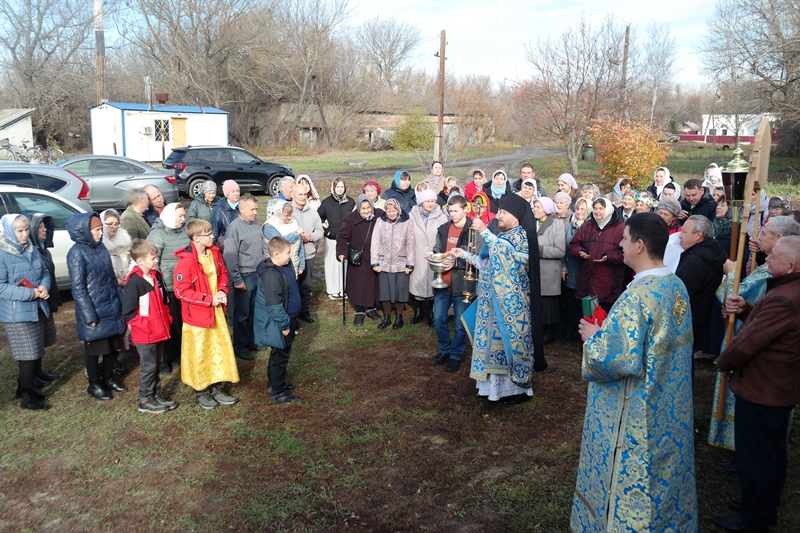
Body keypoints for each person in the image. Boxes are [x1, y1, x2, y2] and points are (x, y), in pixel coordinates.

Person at [571, 212, 697, 532]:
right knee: (665, 474)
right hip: (668, 403)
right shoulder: (676, 284)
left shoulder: (635, 297)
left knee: (638, 473)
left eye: (625, 239)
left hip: (637, 410)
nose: (621, 244)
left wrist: (593, 338)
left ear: (639, 245)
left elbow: (620, 360)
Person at [712, 236, 800, 533]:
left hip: (764, 388)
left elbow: (750, 342)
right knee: (771, 452)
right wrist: (748, 308)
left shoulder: (783, 298)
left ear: (791, 266)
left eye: (774, 256)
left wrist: (724, 362)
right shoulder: (788, 291)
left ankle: (755, 517)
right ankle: (763, 505)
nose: (767, 259)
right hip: (778, 386)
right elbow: (772, 326)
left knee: (757, 456)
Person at [708, 216, 800, 455]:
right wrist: (746, 309)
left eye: (765, 233)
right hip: (774, 378)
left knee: (759, 447)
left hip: (762, 375)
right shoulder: (781, 272)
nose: (758, 238)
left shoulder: (779, 282)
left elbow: (741, 294)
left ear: (780, 239)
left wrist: (730, 274)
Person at [453, 193, 546, 403]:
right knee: (490, 347)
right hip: (491, 305)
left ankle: (518, 390)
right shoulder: (501, 236)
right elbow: (487, 264)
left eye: (504, 213)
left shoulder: (521, 236)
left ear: (517, 217)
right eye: (500, 212)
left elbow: (508, 259)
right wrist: (464, 255)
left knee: (510, 346)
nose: (499, 216)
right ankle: (490, 389)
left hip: (511, 305)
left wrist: (485, 232)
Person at [173, 219, 239, 410]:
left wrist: (221, 291)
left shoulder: (214, 254)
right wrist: (208, 299)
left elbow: (223, 274)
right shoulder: (185, 264)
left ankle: (217, 387)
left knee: (217, 349)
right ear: (196, 238)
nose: (212, 236)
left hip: (216, 313)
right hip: (198, 317)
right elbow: (181, 292)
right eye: (208, 234)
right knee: (200, 353)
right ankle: (201, 390)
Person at [66, 212, 127, 401]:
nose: (101, 233)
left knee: (112, 345)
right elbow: (78, 288)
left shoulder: (100, 248)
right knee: (94, 349)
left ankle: (108, 378)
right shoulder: (76, 253)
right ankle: (94, 383)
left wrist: (121, 303)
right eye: (97, 230)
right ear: (84, 231)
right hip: (94, 308)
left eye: (101, 229)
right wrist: (89, 315)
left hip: (110, 304)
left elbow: (111, 277)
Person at [0, 214, 53, 410]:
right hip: (16, 313)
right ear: (8, 232)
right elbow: (1, 287)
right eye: (19, 231)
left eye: (25, 230)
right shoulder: (2, 253)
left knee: (35, 351)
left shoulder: (30, 248)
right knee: (28, 354)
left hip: (35, 307)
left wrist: (44, 286)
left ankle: (24, 387)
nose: (24, 234)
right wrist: (30, 293)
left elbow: (44, 272)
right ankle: (27, 397)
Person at [428, 195, 484, 373]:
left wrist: (457, 263)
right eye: (450, 211)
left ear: (465, 209)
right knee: (438, 318)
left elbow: (479, 257)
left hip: (464, 285)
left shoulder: (473, 230)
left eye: (455, 211)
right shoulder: (444, 228)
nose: (452, 214)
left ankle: (456, 355)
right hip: (443, 282)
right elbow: (439, 249)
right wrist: (433, 254)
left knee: (460, 323)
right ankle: (444, 350)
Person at [121, 239, 177, 414]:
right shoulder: (134, 282)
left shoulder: (156, 277)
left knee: (157, 364)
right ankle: (145, 400)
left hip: (159, 330)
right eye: (152, 258)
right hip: (145, 334)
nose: (156, 261)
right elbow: (129, 313)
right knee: (148, 367)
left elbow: (163, 302)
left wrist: (166, 319)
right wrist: (147, 326)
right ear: (140, 261)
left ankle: (155, 394)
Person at [254, 236, 301, 404]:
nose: (290, 255)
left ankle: (275, 383)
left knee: (281, 354)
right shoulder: (271, 275)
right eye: (288, 252)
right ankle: (277, 392)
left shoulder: (284, 265)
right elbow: (274, 304)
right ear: (276, 253)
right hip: (281, 322)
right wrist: (285, 324)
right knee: (279, 356)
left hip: (289, 318)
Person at [147, 203, 190, 374]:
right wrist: (159, 287)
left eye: (183, 215)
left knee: (181, 323)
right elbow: (152, 263)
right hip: (167, 287)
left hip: (183, 286)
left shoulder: (184, 231)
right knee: (168, 323)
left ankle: (181, 354)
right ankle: (165, 358)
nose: (183, 219)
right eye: (179, 215)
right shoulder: (157, 235)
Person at [675, 215, 727, 356]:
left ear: (698, 235)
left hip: (686, 322)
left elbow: (679, 295)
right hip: (699, 320)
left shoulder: (694, 261)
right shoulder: (713, 252)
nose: (680, 236)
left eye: (684, 232)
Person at [569, 198, 626, 312]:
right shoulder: (587, 226)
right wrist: (581, 252)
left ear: (608, 209)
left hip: (609, 285)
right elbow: (574, 244)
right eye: (595, 208)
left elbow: (626, 252)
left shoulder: (621, 228)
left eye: (601, 208)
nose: (597, 211)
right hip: (587, 282)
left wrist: (609, 257)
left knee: (604, 319)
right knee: (587, 318)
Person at [223, 194, 263, 361]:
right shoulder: (234, 228)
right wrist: (237, 279)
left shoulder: (255, 224)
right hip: (244, 276)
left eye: (256, 209)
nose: (255, 212)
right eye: (252, 209)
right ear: (241, 209)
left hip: (257, 274)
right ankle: (240, 346)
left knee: (254, 311)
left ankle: (251, 341)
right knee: (242, 314)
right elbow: (230, 255)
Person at [336, 194, 381, 326]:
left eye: (368, 208)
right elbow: (342, 236)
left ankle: (371, 308)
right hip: (358, 258)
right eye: (363, 208)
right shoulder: (350, 218)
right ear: (358, 208)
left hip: (374, 257)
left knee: (373, 284)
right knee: (359, 285)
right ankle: (359, 311)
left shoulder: (378, 216)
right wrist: (341, 252)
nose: (367, 211)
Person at [370, 198, 415, 329]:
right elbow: (375, 242)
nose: (391, 213)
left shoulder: (407, 222)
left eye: (393, 210)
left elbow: (410, 244)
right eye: (388, 211)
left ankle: (399, 317)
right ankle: (387, 317)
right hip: (384, 263)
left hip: (401, 262)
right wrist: (375, 262)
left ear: (398, 210)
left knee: (401, 291)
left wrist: (410, 264)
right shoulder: (380, 222)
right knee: (385, 292)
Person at [408, 188, 448, 326]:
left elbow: (444, 236)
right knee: (417, 283)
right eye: (427, 201)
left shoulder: (441, 216)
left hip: (433, 255)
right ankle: (418, 312)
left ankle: (431, 312)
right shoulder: (412, 215)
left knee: (433, 284)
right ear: (421, 202)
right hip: (417, 254)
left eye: (432, 201)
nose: (430, 204)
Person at [30, 213, 61, 378]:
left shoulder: (44, 250)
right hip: (35, 301)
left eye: (44, 226)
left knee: (42, 337)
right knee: (34, 341)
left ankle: (38, 371)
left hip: (45, 298)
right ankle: (32, 374)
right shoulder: (31, 252)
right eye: (40, 227)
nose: (45, 229)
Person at [533, 197, 566, 345]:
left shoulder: (557, 225)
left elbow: (560, 250)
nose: (535, 209)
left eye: (538, 207)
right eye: (534, 206)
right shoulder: (530, 223)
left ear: (546, 209)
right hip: (533, 270)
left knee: (547, 305)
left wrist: (537, 250)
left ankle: (548, 332)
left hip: (548, 274)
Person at [318, 177, 355, 300]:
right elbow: (319, 218)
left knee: (343, 263)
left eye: (342, 187)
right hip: (332, 239)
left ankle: (342, 288)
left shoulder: (350, 202)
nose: (340, 189)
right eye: (337, 187)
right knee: (332, 265)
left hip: (345, 239)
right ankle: (332, 289)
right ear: (333, 188)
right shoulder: (326, 203)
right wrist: (326, 231)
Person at [291, 187, 323, 323]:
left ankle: (305, 311)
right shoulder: (288, 211)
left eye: (305, 194)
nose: (303, 197)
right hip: (292, 256)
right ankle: (294, 314)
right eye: (300, 194)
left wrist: (311, 236)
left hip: (309, 254)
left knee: (306, 285)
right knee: (293, 286)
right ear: (293, 194)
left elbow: (320, 231)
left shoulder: (313, 213)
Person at [562, 198, 589, 341]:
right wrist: (563, 266)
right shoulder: (569, 227)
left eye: (583, 209)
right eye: (577, 209)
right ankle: (572, 328)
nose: (579, 212)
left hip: (586, 271)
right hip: (571, 270)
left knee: (583, 301)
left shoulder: (591, 227)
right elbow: (563, 249)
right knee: (571, 300)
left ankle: (583, 330)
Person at [263, 201, 305, 278]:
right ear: (278, 213)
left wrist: (301, 264)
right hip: (275, 268)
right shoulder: (269, 226)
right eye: (286, 215)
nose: (289, 218)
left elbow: (300, 244)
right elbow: (279, 243)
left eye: (290, 215)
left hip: (293, 265)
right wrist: (295, 233)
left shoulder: (294, 222)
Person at [100, 209, 133, 286]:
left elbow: (133, 259)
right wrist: (113, 279)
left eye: (117, 224)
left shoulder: (126, 241)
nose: (114, 227)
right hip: (110, 285)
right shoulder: (100, 245)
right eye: (110, 224)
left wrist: (130, 275)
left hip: (129, 283)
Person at [210, 180, 240, 249]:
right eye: (233, 192)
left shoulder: (243, 207)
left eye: (237, 191)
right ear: (227, 194)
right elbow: (214, 233)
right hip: (226, 249)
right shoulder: (218, 210)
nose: (236, 194)